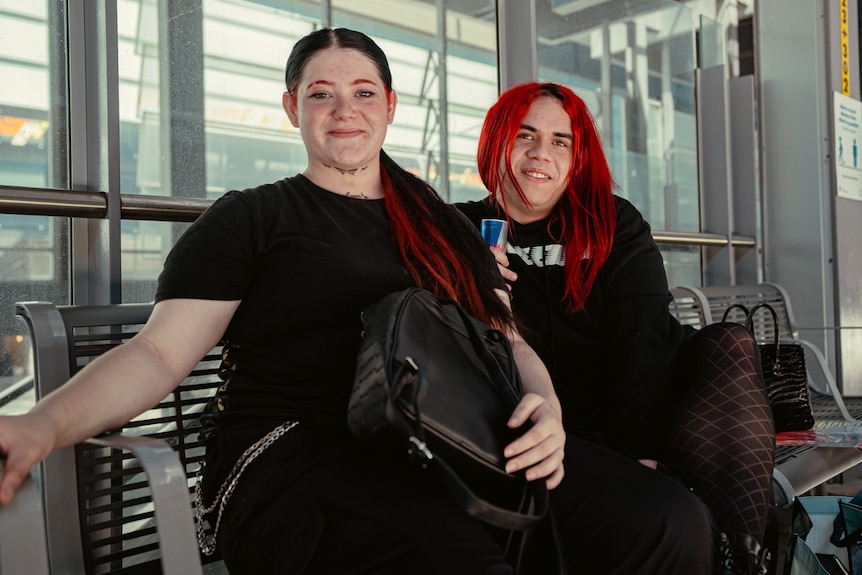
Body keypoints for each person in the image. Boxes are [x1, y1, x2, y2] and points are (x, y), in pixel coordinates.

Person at [0, 29, 713, 575]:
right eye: (321, 93)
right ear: (292, 107)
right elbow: (158, 352)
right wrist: (41, 424)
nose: (345, 110)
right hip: (298, 455)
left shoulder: (434, 216)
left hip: (434, 439)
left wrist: (546, 406)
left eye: (364, 92)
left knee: (666, 520)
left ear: (391, 106)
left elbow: (508, 335)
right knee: (457, 556)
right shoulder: (254, 217)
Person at [456, 82, 776, 575]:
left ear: (576, 156)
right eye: (525, 135)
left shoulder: (610, 222)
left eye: (561, 140)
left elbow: (642, 338)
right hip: (540, 424)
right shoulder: (459, 229)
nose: (542, 153)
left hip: (639, 407)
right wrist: (472, 283)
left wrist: (640, 456)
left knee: (729, 343)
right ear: (496, 140)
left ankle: (742, 560)